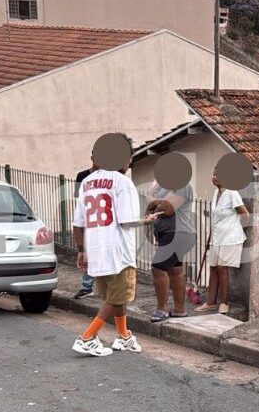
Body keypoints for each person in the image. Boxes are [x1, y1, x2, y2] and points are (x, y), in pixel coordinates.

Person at [71, 134, 143, 357]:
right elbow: (127, 220)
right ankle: (87, 337)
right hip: (118, 251)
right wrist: (148, 220)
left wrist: (81, 251)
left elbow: (77, 223)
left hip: (95, 249)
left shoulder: (86, 182)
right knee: (117, 296)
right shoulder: (122, 182)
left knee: (113, 296)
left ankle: (124, 336)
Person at [145, 158, 196, 322]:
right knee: (175, 270)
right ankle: (180, 310)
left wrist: (155, 202)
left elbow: (167, 209)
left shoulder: (182, 185)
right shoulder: (162, 186)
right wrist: (155, 201)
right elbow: (149, 205)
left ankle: (162, 310)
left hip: (178, 233)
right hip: (167, 233)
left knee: (158, 267)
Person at [195, 171, 249, 314]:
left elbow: (244, 214)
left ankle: (224, 303)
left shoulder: (232, 193)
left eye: (218, 174)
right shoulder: (216, 193)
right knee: (213, 267)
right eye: (213, 174)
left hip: (230, 238)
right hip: (217, 237)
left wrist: (236, 228)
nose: (214, 177)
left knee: (221, 268)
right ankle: (211, 302)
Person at [73, 164, 97, 300]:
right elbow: (78, 199)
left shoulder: (111, 176)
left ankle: (90, 286)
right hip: (89, 219)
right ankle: (87, 286)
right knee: (87, 253)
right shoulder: (82, 176)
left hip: (103, 220)